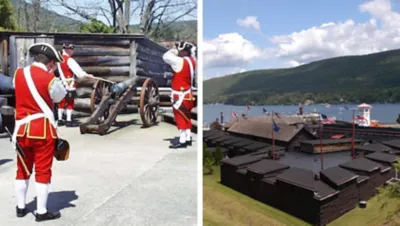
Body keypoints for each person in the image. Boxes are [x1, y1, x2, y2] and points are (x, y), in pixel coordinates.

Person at [12, 43, 67, 221]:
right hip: (42, 131)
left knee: (22, 169)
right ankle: (41, 212)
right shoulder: (50, 80)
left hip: (21, 130)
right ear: (51, 63)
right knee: (43, 171)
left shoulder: (18, 74)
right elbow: (60, 96)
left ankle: (20, 208)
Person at [162, 41, 196, 149]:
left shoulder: (179, 62)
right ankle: (188, 137)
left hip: (180, 95)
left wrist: (174, 50)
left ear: (184, 51)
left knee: (180, 117)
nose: (179, 52)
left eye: (180, 50)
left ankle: (182, 141)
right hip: (188, 93)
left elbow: (166, 56)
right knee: (187, 117)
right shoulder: (193, 61)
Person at [57, 43, 93, 127]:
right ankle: (68, 120)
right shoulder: (69, 60)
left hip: (61, 83)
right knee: (70, 102)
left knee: (61, 102)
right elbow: (78, 72)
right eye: (71, 50)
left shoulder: (58, 60)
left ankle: (60, 119)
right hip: (69, 84)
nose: (72, 51)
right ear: (69, 50)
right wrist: (87, 75)